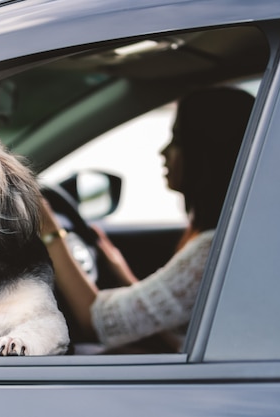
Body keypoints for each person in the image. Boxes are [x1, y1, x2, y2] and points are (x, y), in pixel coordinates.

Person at [41, 86, 255, 353]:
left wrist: (49, 231)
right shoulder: (236, 237)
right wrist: (119, 270)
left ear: (207, 152)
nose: (163, 151)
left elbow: (97, 323)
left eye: (176, 140)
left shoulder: (213, 250)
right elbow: (166, 324)